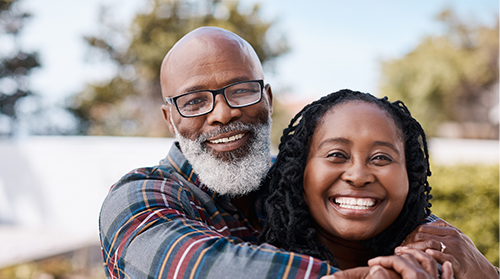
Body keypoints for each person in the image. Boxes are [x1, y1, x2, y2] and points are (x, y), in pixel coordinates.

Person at [98, 26, 499, 278]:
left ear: (267, 99)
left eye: (240, 91)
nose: (222, 113)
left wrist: (473, 265)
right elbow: (195, 267)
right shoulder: (140, 198)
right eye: (195, 101)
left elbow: (386, 204)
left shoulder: (299, 179)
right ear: (170, 119)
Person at [258, 89, 496, 279]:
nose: (359, 176)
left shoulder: (447, 263)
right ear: (299, 171)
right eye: (336, 155)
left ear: (410, 178)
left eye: (381, 157)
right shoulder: (255, 265)